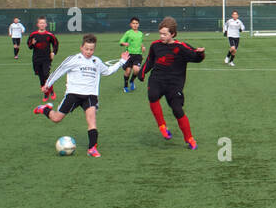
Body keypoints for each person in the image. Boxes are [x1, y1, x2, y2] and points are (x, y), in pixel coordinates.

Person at [33, 34, 124, 157]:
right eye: (86, 49)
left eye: (91, 49)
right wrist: (47, 84)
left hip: (90, 95)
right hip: (73, 94)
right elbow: (59, 70)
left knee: (92, 120)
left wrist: (122, 61)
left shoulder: (96, 61)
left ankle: (92, 148)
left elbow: (107, 71)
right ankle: (45, 109)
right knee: (56, 118)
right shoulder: (74, 59)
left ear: (94, 49)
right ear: (81, 47)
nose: (89, 52)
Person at [139, 16, 205, 149]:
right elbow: (150, 60)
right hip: (157, 79)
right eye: (160, 33)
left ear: (173, 34)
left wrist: (200, 54)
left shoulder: (181, 47)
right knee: (152, 95)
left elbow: (196, 57)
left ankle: (189, 138)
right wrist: (142, 72)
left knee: (177, 110)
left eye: (165, 34)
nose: (161, 36)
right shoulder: (155, 45)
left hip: (174, 84)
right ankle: (162, 126)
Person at [26, 17, 60, 101]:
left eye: (43, 23)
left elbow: (56, 44)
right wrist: (32, 43)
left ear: (46, 24)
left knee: (46, 75)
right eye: (40, 23)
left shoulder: (49, 35)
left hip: (46, 59)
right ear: (37, 25)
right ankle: (46, 93)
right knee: (41, 77)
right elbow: (29, 46)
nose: (42, 24)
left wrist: (53, 52)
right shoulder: (33, 34)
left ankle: (50, 91)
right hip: (36, 59)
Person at [118, 17, 146, 92]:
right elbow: (120, 42)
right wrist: (124, 43)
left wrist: (143, 47)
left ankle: (132, 81)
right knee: (128, 71)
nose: (135, 25)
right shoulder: (128, 33)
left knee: (136, 70)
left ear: (139, 24)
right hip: (129, 55)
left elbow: (140, 42)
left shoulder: (140, 34)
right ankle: (125, 85)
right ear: (130, 24)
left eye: (136, 23)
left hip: (138, 55)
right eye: (133, 23)